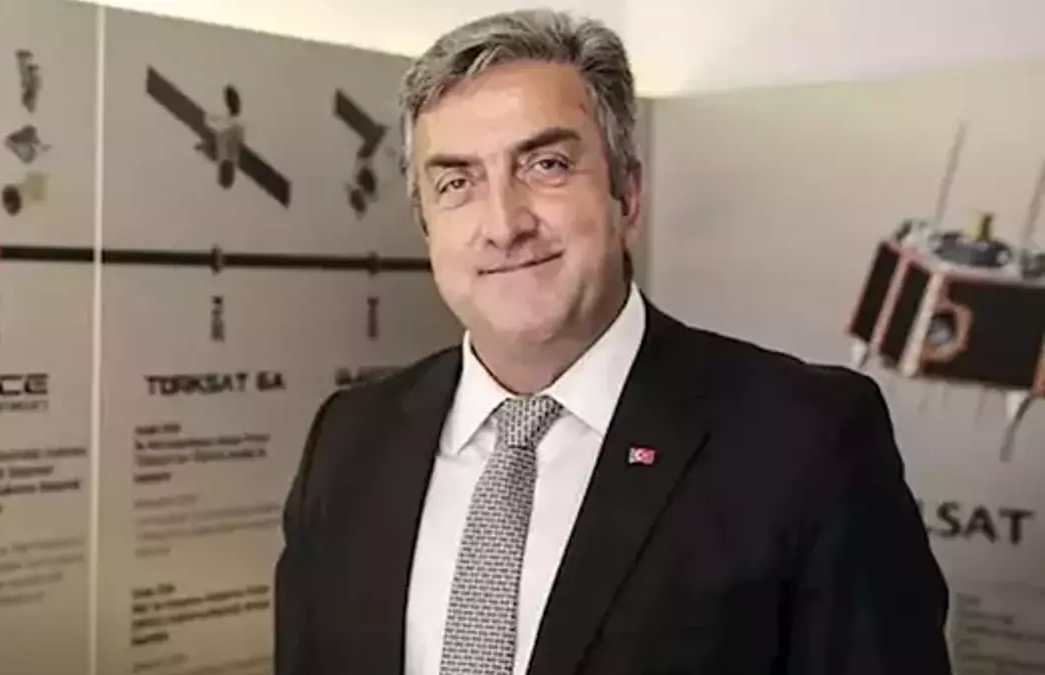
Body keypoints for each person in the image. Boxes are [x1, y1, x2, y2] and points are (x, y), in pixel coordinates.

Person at [274, 9, 953, 675]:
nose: (504, 225)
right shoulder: (349, 441)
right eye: (457, 182)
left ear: (627, 193)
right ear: (426, 223)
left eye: (545, 165)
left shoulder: (804, 440)